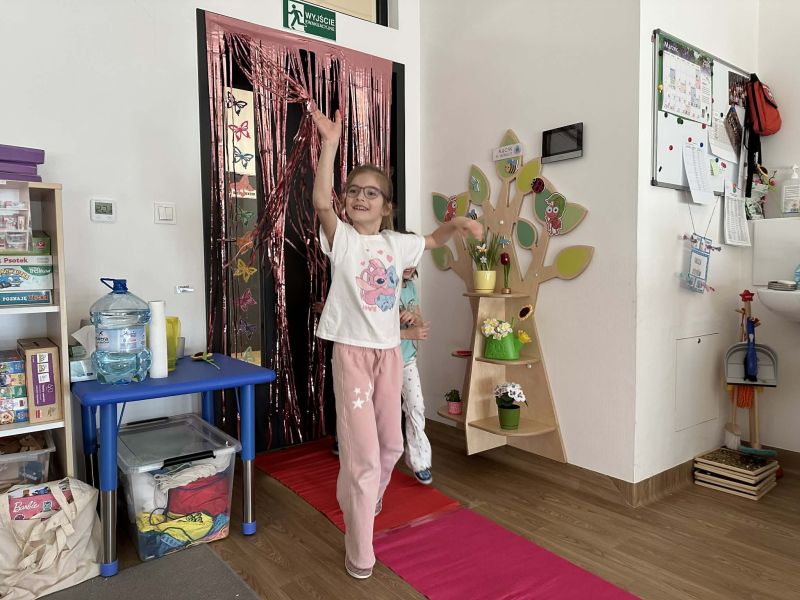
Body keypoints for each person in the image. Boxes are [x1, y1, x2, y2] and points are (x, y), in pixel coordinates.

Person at [310, 104, 483, 580]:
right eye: (353, 191)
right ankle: (360, 550)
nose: (360, 197)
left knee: (390, 446)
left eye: (372, 192)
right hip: (352, 357)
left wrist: (458, 226)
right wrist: (330, 144)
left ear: (387, 206)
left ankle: (361, 495)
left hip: (389, 356)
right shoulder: (343, 240)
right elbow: (321, 202)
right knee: (364, 455)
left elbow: (432, 240)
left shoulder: (395, 243)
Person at [398, 267, 434, 484]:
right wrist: (406, 333)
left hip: (408, 359)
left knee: (416, 406)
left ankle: (419, 461)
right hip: (384, 360)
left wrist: (415, 319)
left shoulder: (410, 286)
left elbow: (419, 319)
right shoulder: (383, 286)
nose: (410, 265)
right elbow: (374, 331)